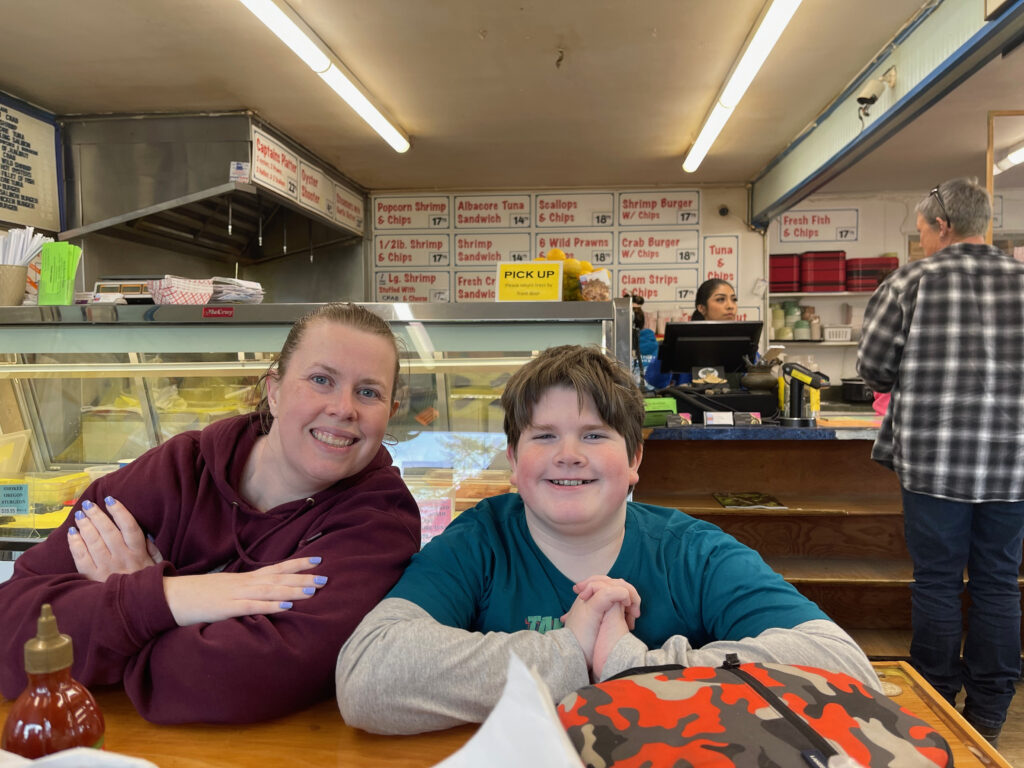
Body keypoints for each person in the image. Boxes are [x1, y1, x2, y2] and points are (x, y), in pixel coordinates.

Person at [336, 344, 877, 734]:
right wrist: (568, 648)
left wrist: (627, 664)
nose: (568, 454)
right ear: (513, 461)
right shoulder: (479, 541)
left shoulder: (692, 550)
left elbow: (844, 667)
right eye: (544, 436)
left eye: (595, 435)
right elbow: (368, 677)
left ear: (635, 459)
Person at [0, 303, 421, 724]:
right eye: (321, 380)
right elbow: (11, 635)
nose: (344, 408)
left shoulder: (378, 523)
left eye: (368, 392)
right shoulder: (180, 468)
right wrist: (176, 596)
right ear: (274, 391)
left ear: (390, 412)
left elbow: (237, 681)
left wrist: (123, 605)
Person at [857, 177, 1024, 745]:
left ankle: (933, 698)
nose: (922, 240)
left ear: (944, 225)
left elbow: (875, 368)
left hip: (934, 461)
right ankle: (990, 713)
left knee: (936, 583)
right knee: (1000, 584)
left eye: (923, 229)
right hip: (1015, 466)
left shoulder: (910, 281)